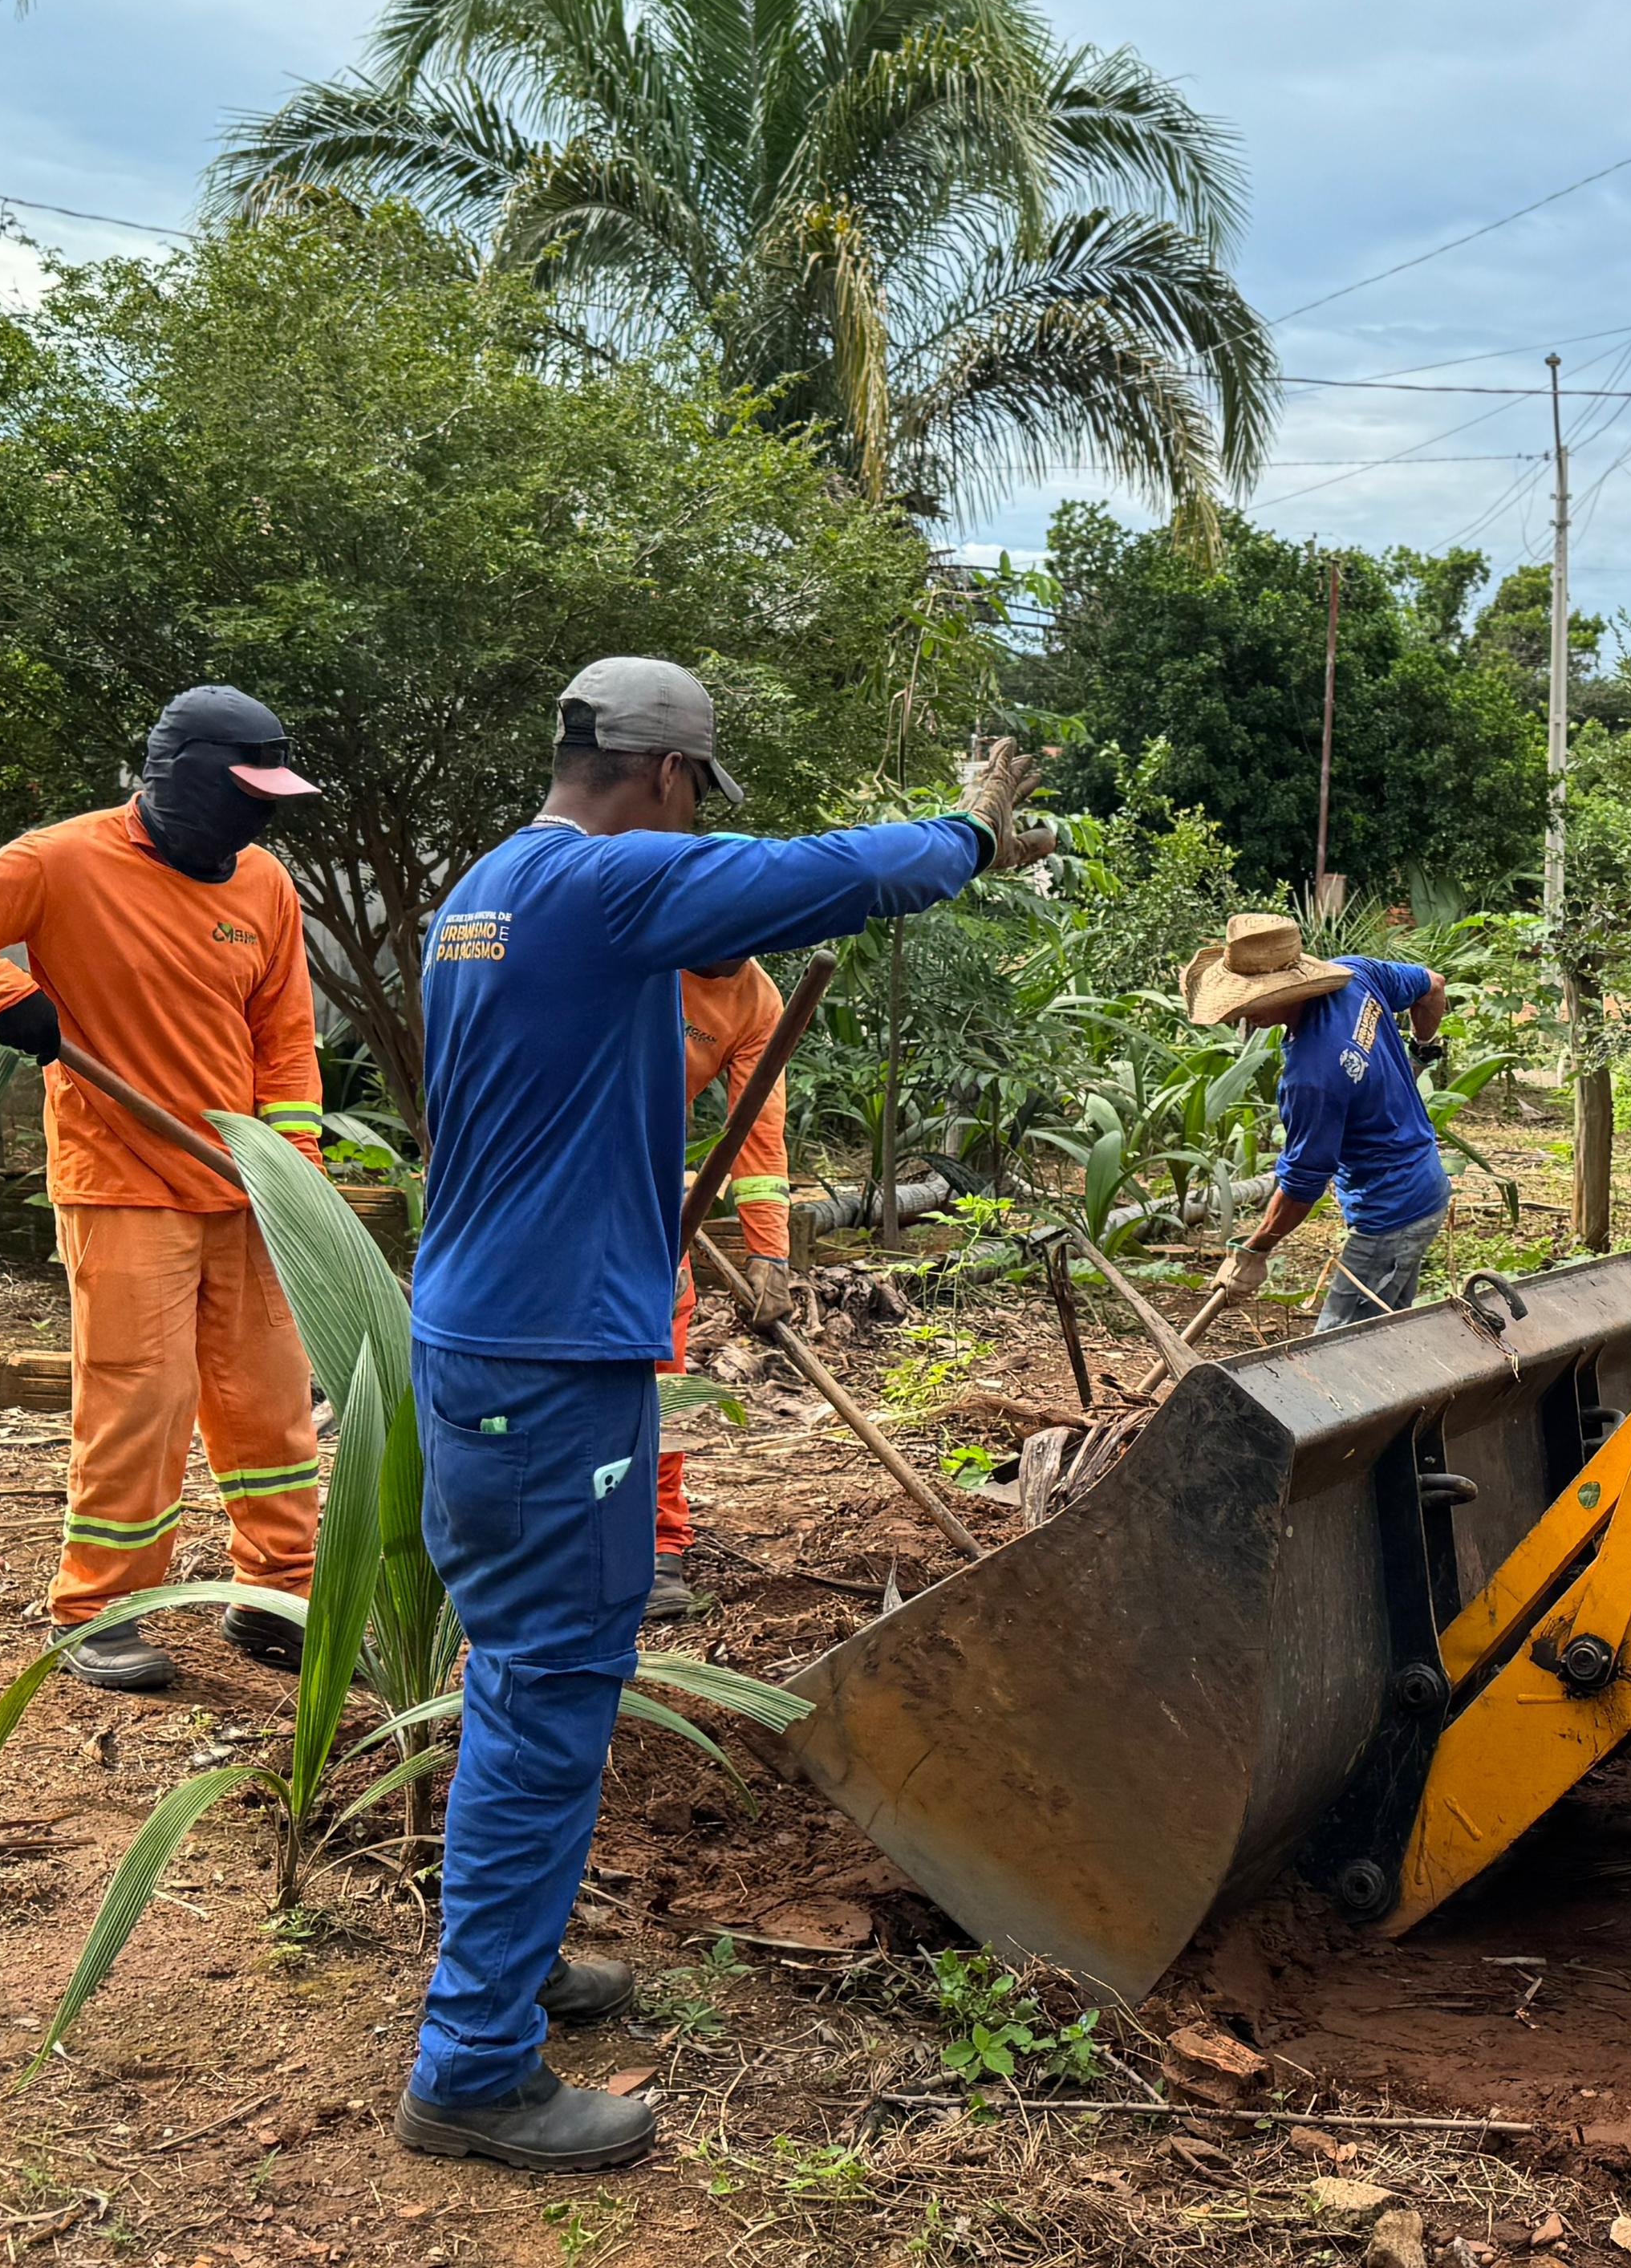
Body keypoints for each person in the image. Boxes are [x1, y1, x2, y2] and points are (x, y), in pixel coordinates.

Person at [394, 659, 1049, 2173]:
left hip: (502, 1336)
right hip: (548, 1365)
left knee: (531, 1675)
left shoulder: (490, 885)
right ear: (668, 780)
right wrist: (966, 835)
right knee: (551, 1690)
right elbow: (814, 876)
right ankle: (475, 2067)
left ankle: (516, 1963)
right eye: (696, 799)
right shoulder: (601, 886)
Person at [0, 686, 328, 1690]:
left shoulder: (264, 884)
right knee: (143, 1397)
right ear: (181, 778)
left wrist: (293, 1170)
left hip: (244, 1183)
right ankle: (103, 1607)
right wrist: (4, 994)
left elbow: (288, 1038)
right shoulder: (63, 859)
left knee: (271, 1408)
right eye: (245, 793)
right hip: (123, 1180)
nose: (260, 817)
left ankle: (277, 1595)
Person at [1191, 911, 1450, 1329]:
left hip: (1392, 1214)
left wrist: (1253, 1253)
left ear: (1289, 988)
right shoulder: (1357, 974)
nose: (1243, 1013)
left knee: (1337, 1351)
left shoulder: (1311, 1076)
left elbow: (1301, 1186)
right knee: (1389, 1335)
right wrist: (1422, 1052)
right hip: (1425, 1186)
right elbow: (1433, 986)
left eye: (1252, 999)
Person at [650, 955, 800, 1621]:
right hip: (554, 1157)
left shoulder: (757, 1002)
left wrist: (768, 1251)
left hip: (647, 1183)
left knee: (661, 1366)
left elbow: (759, 1133)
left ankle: (657, 1545)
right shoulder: (640, 940)